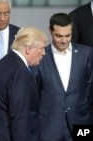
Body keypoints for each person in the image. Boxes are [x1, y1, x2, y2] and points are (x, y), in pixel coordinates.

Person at [0, 27, 48, 141]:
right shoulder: (19, 71)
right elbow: (19, 115)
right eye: (41, 48)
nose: (44, 53)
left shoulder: (4, 63)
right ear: (28, 49)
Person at [35, 13, 93, 141]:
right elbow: (34, 92)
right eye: (59, 36)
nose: (64, 40)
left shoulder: (86, 53)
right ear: (50, 31)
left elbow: (89, 86)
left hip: (81, 123)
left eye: (68, 35)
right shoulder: (41, 56)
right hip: (49, 125)